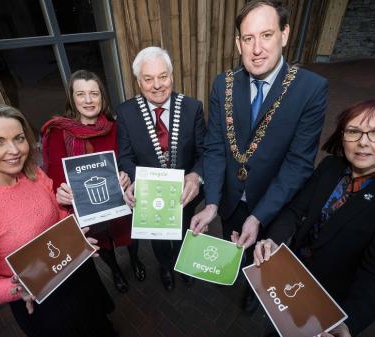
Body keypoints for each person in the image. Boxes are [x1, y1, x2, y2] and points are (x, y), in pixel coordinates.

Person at [0, 101, 117, 337]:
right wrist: (16, 288)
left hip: (78, 275)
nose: (15, 150)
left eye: (18, 138)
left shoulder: (33, 175)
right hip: (45, 302)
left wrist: (77, 238)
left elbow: (57, 217)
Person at [253, 100, 375, 337]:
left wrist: (348, 323)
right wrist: (273, 240)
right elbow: (294, 211)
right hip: (290, 282)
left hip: (328, 305)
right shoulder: (330, 167)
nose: (363, 141)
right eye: (354, 131)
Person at [190, 0, 328, 311]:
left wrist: (259, 215)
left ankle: (257, 293)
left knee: (265, 260)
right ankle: (235, 275)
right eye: (248, 38)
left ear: (285, 34)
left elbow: (298, 164)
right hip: (228, 200)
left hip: (273, 205)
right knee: (234, 247)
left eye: (266, 35)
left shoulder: (311, 89)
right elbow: (214, 147)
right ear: (238, 43)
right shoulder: (222, 84)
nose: (257, 49)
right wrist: (212, 201)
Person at [41, 69, 144, 294]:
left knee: (129, 235)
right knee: (101, 241)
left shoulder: (115, 127)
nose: (88, 100)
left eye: (94, 94)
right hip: (84, 204)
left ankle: (135, 260)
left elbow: (127, 158)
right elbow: (56, 174)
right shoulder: (59, 132)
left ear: (102, 97)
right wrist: (62, 191)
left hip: (119, 199)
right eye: (81, 94)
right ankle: (115, 270)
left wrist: (126, 175)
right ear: (72, 98)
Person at [117, 46, 207, 292]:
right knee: (158, 239)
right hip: (150, 197)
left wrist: (196, 175)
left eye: (162, 76)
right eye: (148, 79)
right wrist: (138, 180)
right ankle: (165, 266)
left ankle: (184, 263)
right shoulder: (126, 113)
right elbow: (124, 157)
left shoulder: (192, 108)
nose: (156, 85)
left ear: (172, 76)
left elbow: (204, 153)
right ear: (138, 81)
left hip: (183, 196)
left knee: (183, 231)